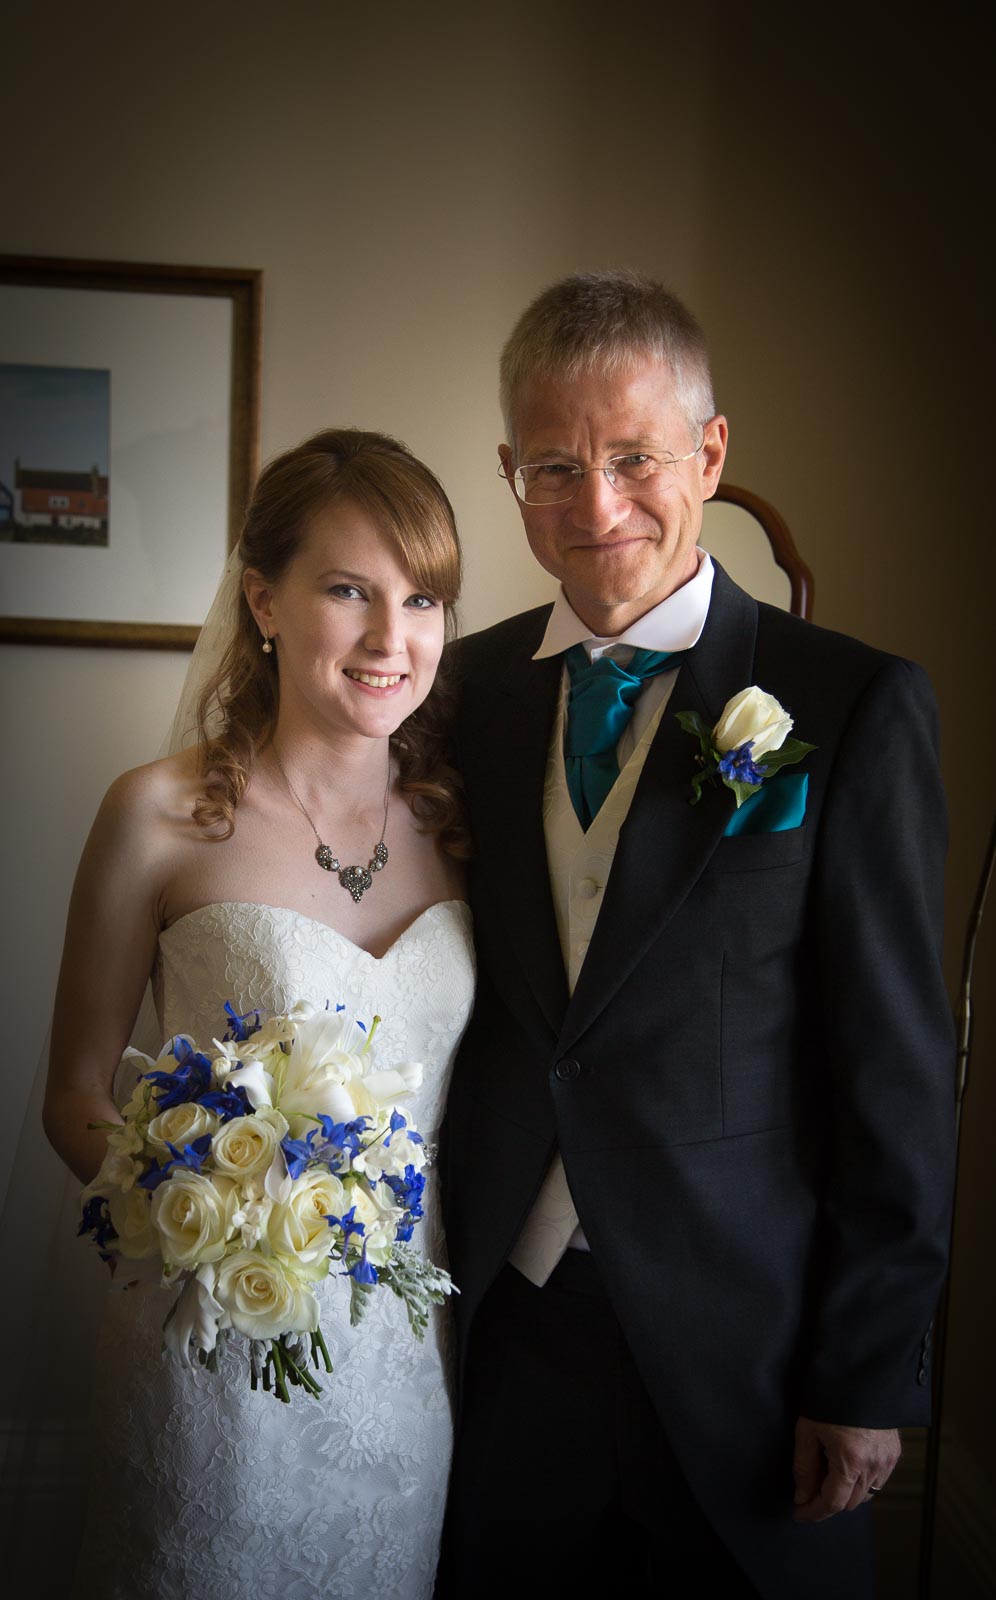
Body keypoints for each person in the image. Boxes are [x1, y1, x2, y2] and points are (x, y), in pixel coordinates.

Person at [438, 272, 954, 1598]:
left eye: (632, 458)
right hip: (507, 1324)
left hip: (754, 1353)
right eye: (553, 466)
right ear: (509, 473)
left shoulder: (850, 704)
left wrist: (865, 1370)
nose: (595, 506)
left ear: (710, 455)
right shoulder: (461, 693)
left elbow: (894, 1075)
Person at [43, 428, 474, 1600]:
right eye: (348, 590)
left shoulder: (468, 834)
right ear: (263, 601)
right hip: (212, 1357)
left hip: (404, 1367)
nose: (395, 638)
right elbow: (73, 1095)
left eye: (423, 597)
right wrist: (212, 1211)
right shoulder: (154, 816)